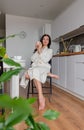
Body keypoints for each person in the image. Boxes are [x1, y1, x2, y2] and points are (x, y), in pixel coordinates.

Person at [20, 34, 59, 110]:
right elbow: (32, 59)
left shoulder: (50, 51)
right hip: (36, 68)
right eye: (44, 39)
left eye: (47, 39)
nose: (45, 40)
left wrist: (39, 50)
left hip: (44, 67)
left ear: (49, 41)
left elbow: (45, 60)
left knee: (33, 72)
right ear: (42, 40)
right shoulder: (37, 50)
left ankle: (40, 97)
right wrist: (38, 49)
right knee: (29, 74)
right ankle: (48, 75)